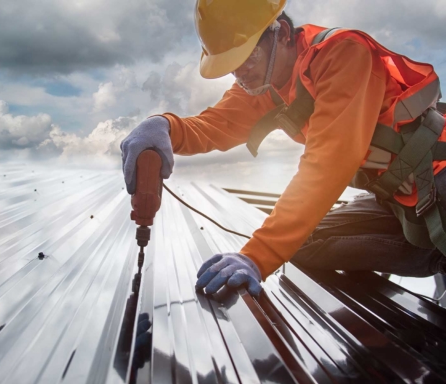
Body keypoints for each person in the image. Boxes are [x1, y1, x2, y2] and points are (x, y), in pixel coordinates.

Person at [121, 0, 446, 297]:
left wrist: (256, 257)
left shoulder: (344, 54)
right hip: (397, 200)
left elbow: (327, 165)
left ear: (283, 34)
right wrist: (164, 126)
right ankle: (433, 253)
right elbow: (214, 125)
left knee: (277, 246)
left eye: (246, 57)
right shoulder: (266, 83)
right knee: (304, 244)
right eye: (231, 65)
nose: (239, 73)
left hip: (438, 183)